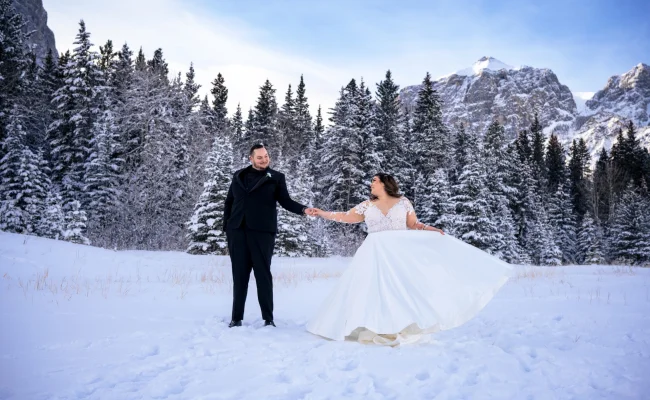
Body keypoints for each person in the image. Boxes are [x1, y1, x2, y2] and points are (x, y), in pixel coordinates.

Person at [306, 173, 513, 346]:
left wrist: (431, 229)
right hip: (374, 252)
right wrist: (322, 213)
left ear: (385, 184)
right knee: (371, 288)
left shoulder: (403, 202)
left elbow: (413, 224)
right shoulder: (367, 205)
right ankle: (371, 324)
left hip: (398, 252)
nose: (371, 184)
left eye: (374, 181)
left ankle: (398, 324)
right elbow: (346, 216)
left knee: (400, 289)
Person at [223, 143, 317, 328]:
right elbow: (229, 201)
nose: (264, 159)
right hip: (237, 231)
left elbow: (285, 201)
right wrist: (227, 227)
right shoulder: (238, 175)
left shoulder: (276, 177)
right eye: (260, 157)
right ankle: (236, 318)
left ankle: (268, 318)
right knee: (239, 275)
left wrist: (303, 210)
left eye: (266, 156)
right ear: (251, 158)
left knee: (263, 274)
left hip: (262, 232)